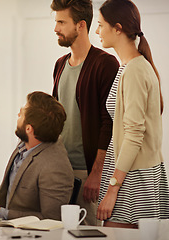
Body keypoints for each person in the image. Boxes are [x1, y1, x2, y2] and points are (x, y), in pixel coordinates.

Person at [96, 0, 169, 228]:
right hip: (129, 173)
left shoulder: (135, 69)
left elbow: (134, 133)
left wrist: (113, 188)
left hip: (132, 177)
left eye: (100, 25)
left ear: (117, 28)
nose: (97, 31)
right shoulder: (129, 66)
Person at [50, 0, 119, 225]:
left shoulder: (106, 64)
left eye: (62, 22)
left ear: (81, 25)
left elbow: (108, 124)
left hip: (87, 172)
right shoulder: (60, 64)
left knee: (88, 233)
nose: (56, 28)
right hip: (59, 170)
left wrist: (97, 174)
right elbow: (54, 116)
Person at [0, 91, 74, 220]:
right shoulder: (24, 144)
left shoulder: (55, 166)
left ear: (29, 129)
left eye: (21, 114)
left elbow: (51, 219)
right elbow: (5, 189)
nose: (18, 115)